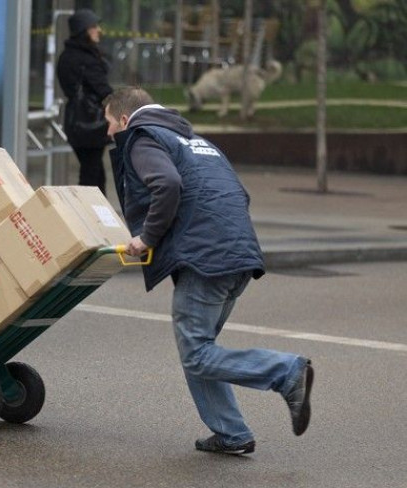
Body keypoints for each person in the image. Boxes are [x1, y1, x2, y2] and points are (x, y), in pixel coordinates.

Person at [103, 86, 314, 455]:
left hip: (206, 260)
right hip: (238, 254)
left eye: (107, 123)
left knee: (197, 353)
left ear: (124, 119)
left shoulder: (142, 138)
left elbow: (166, 184)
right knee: (198, 349)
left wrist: (148, 238)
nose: (107, 133)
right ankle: (231, 432)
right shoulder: (194, 141)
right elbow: (239, 193)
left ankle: (285, 372)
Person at [57, 9, 113, 195]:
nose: (98, 30)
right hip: (91, 124)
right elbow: (103, 90)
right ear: (85, 30)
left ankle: (96, 216)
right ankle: (90, 216)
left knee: (94, 172)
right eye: (94, 27)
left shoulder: (66, 56)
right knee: (91, 176)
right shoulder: (87, 59)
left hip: (74, 122)